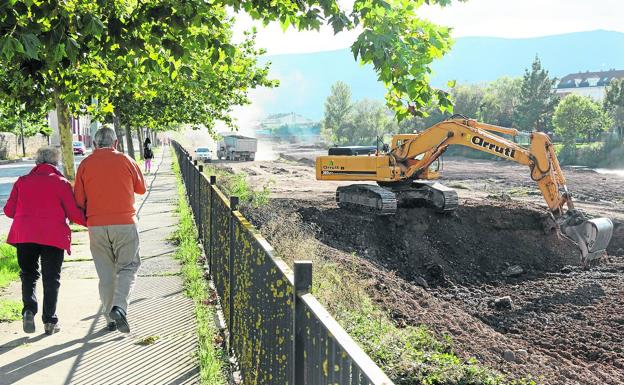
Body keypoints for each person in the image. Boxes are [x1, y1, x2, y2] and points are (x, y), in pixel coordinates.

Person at [3, 147, 86, 335]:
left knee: (28, 274)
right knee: (51, 279)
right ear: (55, 163)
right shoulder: (61, 183)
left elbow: (8, 211)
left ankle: (29, 310)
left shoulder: (22, 182)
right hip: (53, 237)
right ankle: (50, 321)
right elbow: (74, 213)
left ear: (37, 163)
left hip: (25, 236)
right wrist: (93, 223)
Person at [74, 127, 146, 333]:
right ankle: (119, 307)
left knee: (105, 273)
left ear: (95, 144)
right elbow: (141, 189)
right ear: (115, 143)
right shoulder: (126, 160)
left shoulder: (85, 164)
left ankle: (110, 319)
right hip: (125, 222)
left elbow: (79, 200)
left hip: (96, 225)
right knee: (128, 267)